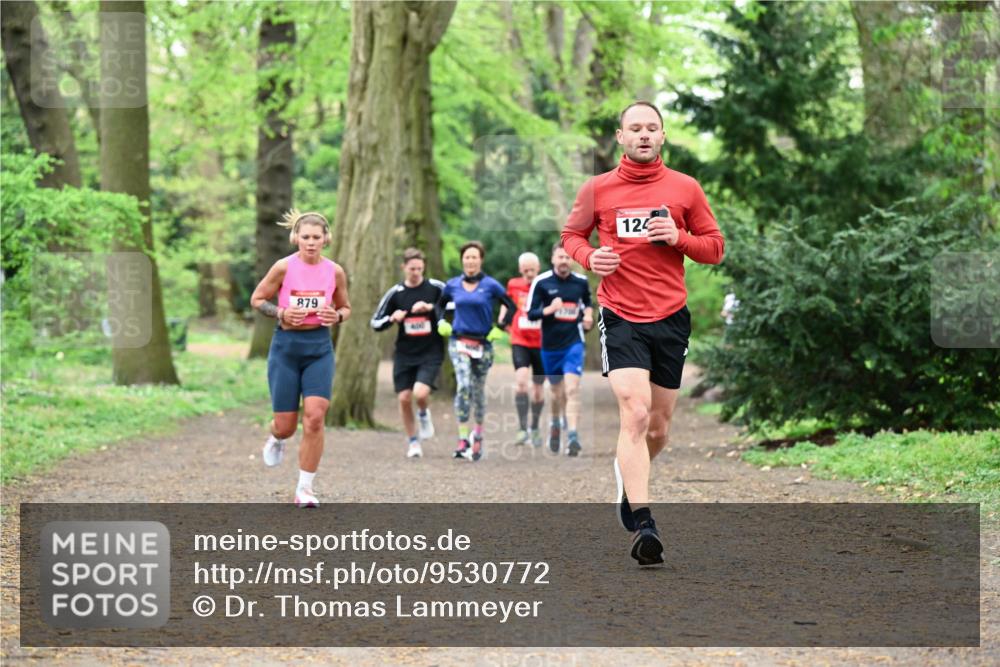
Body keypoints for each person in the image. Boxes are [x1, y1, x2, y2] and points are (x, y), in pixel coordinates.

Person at [561, 101, 724, 565]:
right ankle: (644, 522)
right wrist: (591, 259)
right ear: (620, 136)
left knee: (658, 427)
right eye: (635, 128)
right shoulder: (597, 190)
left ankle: (626, 470)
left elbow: (714, 248)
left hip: (670, 315)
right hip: (621, 313)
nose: (644, 135)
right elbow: (571, 237)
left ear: (663, 135)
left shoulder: (685, 189)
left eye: (652, 128)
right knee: (634, 411)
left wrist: (678, 238)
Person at [250, 209, 351, 508]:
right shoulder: (283, 267)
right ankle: (277, 438)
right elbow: (257, 299)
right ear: (296, 238)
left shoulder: (335, 271)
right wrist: (280, 312)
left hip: (319, 346)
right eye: (305, 237)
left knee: (316, 418)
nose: (310, 243)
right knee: (285, 425)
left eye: (316, 238)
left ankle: (304, 488)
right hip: (286, 347)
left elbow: (346, 307)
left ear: (326, 239)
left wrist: (337, 316)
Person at [435, 240, 516, 462]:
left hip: (483, 343)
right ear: (463, 260)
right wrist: (441, 322)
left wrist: (500, 329)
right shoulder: (452, 285)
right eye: (467, 257)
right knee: (463, 386)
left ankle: (478, 434)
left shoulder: (491, 285)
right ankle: (463, 439)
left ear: (480, 260)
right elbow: (438, 306)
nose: (470, 261)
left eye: (474, 257)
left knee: (478, 391)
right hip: (459, 340)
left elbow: (511, 306)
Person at [370, 248, 445, 459]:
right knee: (404, 398)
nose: (416, 273)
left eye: (420, 269)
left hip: (431, 350)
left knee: (420, 393)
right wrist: (392, 318)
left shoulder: (436, 287)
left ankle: (423, 413)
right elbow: (375, 322)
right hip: (404, 352)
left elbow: (453, 306)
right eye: (412, 269)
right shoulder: (395, 293)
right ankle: (413, 442)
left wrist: (431, 308)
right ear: (404, 268)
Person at [526, 242, 593, 456]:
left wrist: (589, 316)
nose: (564, 261)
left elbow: (587, 305)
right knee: (556, 393)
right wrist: (550, 309)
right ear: (553, 259)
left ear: (572, 260)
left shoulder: (581, 282)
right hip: (550, 346)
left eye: (567, 257)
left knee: (572, 389)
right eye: (560, 257)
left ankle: (572, 435)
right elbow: (531, 313)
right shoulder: (542, 282)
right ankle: (555, 424)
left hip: (573, 343)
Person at [501, 252, 546, 447]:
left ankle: (534, 427)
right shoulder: (513, 284)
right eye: (525, 270)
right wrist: (503, 320)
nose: (529, 273)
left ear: (538, 269)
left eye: (532, 270)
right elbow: (507, 303)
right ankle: (522, 428)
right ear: (520, 270)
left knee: (537, 390)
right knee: (521, 382)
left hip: (542, 343)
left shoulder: (546, 285)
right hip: (520, 339)